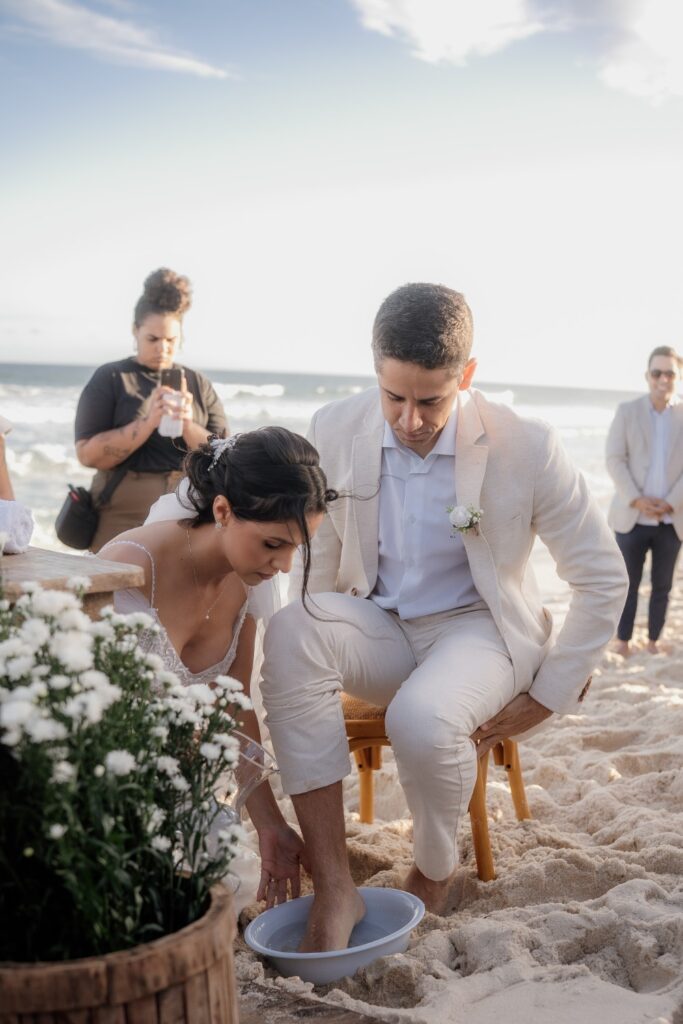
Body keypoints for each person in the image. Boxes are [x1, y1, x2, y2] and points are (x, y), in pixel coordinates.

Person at [259, 282, 628, 951]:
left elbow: (601, 576)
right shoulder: (334, 428)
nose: (407, 418)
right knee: (290, 630)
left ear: (468, 375)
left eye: (429, 400)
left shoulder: (527, 446)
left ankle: (433, 868)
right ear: (374, 371)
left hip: (478, 630)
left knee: (419, 720)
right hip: (380, 623)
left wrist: (549, 693)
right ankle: (335, 882)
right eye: (391, 396)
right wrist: (319, 661)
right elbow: (317, 567)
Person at [99, 426, 337, 906]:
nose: (285, 566)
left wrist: (271, 824)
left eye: (296, 548)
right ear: (223, 511)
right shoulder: (130, 565)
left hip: (179, 788)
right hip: (103, 785)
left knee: (227, 891)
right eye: (273, 545)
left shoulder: (247, 583)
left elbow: (233, 706)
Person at [74, 268, 227, 552]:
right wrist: (147, 423)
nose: (163, 349)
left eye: (171, 340)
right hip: (120, 516)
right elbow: (87, 454)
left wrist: (187, 424)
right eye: (153, 339)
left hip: (187, 513)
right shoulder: (112, 377)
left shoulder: (197, 383)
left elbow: (226, 456)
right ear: (135, 331)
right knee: (114, 592)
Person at [606, 346, 683, 656]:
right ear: (647, 376)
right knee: (628, 584)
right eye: (657, 373)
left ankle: (653, 641)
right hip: (631, 517)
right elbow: (614, 459)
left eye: (670, 373)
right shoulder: (627, 411)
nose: (663, 379)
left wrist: (671, 501)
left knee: (662, 586)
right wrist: (636, 499)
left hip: (671, 518)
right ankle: (623, 641)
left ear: (678, 377)